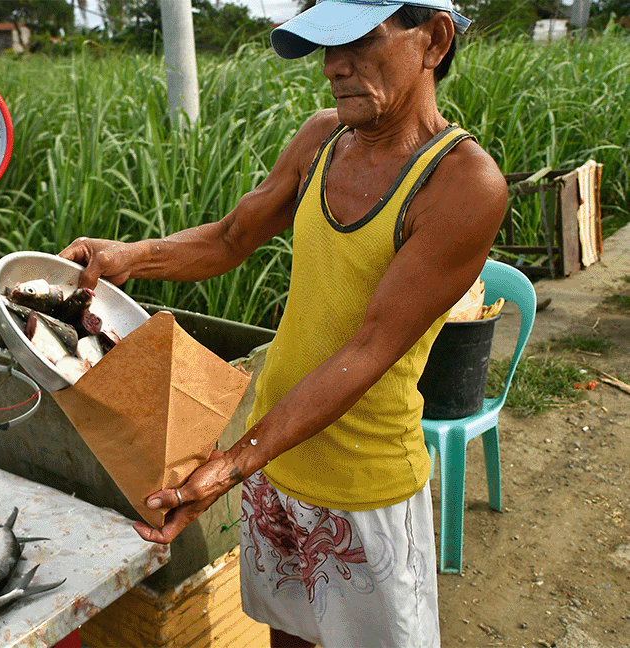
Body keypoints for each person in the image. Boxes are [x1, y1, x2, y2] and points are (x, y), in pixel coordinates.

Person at [60, 0, 507, 645]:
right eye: (324, 48)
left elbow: (370, 349)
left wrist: (229, 465)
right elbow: (228, 238)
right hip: (275, 467)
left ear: (433, 41)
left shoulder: (463, 184)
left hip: (364, 484)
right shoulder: (320, 139)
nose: (334, 68)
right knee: (287, 635)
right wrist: (127, 257)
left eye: (357, 41)